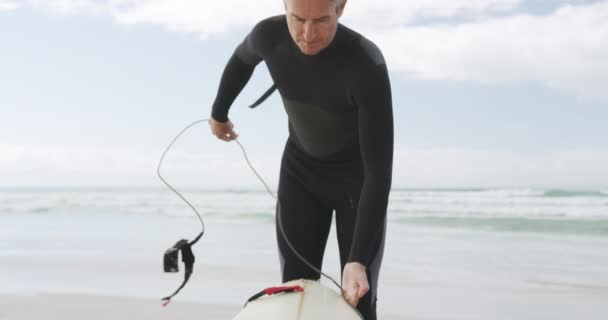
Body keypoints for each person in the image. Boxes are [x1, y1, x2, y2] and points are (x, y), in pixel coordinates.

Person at [209, 0, 393, 318]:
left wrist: (358, 260)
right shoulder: (269, 35)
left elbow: (379, 170)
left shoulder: (365, 63)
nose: (307, 34)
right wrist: (219, 113)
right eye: (297, 19)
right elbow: (242, 60)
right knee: (294, 295)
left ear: (341, 8)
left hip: (357, 183)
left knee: (359, 298)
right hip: (301, 174)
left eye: (321, 20)